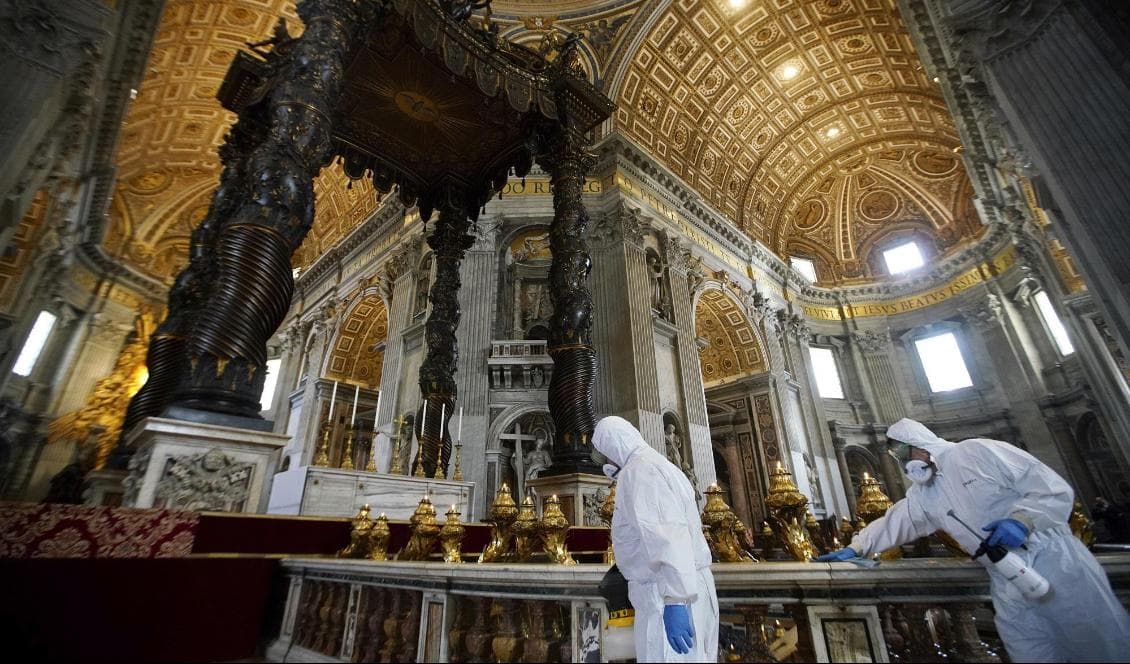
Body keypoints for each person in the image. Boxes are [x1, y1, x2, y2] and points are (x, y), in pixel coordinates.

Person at [815, 418, 1130, 662]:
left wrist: (1023, 520)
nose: (899, 461)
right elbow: (897, 521)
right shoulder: (925, 492)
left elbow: (1052, 488)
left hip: (1053, 559)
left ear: (919, 444)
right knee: (1030, 651)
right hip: (1004, 577)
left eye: (900, 452)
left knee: (1101, 644)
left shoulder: (975, 451)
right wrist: (857, 546)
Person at [591, 416, 718, 662]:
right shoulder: (658, 465)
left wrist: (675, 601)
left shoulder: (640, 471)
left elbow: (667, 536)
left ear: (615, 445)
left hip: (665, 593)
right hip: (681, 587)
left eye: (606, 453)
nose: (606, 461)